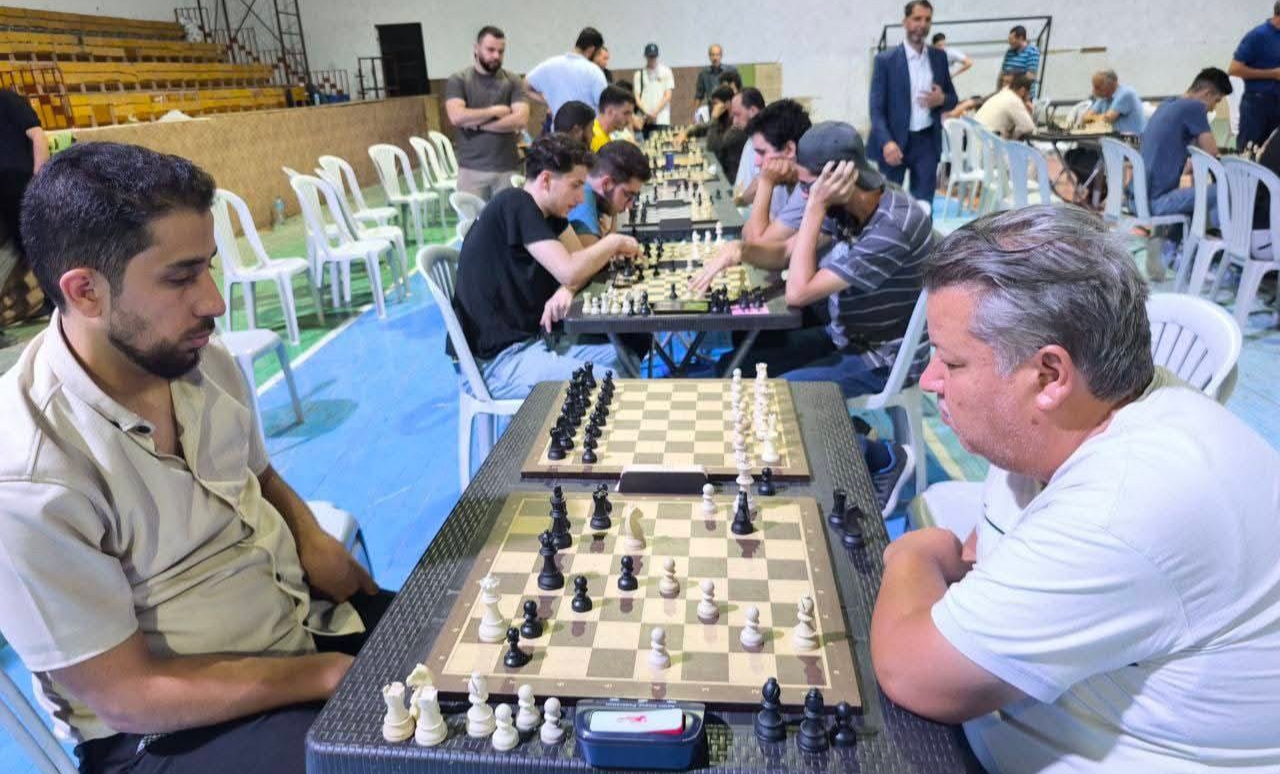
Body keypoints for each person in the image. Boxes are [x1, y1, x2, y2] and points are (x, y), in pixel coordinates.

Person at [0, 142, 388, 774]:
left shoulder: (199, 361)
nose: (213, 301)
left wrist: (308, 533)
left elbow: (257, 473)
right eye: (180, 278)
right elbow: (127, 696)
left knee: (489, 663)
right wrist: (325, 675)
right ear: (86, 291)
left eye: (208, 268)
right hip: (168, 730)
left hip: (300, 626)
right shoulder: (27, 476)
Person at [870, 204, 1280, 774]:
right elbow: (985, 550)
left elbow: (913, 673)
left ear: (1049, 376)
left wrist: (913, 551)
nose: (930, 379)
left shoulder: (1124, 503)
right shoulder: (1059, 423)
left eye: (952, 362)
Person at [452, 133, 639, 399]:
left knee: (623, 357)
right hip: (495, 363)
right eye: (576, 186)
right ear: (546, 180)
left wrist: (567, 289)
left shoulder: (550, 215)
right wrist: (613, 242)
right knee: (610, 382)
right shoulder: (515, 202)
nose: (581, 198)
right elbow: (570, 270)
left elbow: (581, 267)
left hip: (535, 342)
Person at [868, 0, 958, 203]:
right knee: (889, 204)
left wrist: (942, 99)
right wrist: (887, 142)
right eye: (917, 18)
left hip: (926, 142)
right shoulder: (886, 60)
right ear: (905, 22)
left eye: (927, 19)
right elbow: (876, 109)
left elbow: (953, 99)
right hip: (894, 141)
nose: (922, 24)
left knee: (924, 204)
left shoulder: (939, 58)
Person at [444, 26, 530, 200]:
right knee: (473, 218)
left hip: (507, 170)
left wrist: (478, 125)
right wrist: (495, 111)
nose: (496, 56)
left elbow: (521, 119)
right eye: (490, 50)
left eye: (501, 51)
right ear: (476, 48)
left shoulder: (513, 81)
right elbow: (456, 116)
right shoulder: (459, 80)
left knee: (507, 218)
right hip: (471, 171)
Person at [1140, 67, 1231, 222]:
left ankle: (1180, 238)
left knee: (1194, 191)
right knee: (1226, 190)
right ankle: (1221, 236)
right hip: (1156, 203)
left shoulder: (1167, 104)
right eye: (1216, 101)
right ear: (1207, 93)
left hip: (1138, 199)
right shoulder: (1195, 107)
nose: (1212, 109)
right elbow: (1211, 153)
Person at [0, 85, 47, 335]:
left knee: (29, 245)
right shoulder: (9, 99)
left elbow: (37, 136)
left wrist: (39, 178)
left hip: (19, 184)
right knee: (27, 246)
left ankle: (53, 300)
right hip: (11, 186)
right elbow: (38, 136)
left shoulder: (7, 99)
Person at [524, 27, 608, 134]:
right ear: (591, 50)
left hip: (558, 134)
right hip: (586, 134)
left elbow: (525, 86)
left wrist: (549, 101)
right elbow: (605, 106)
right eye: (598, 53)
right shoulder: (594, 71)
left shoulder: (550, 65)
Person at [567, 140, 650, 247]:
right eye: (627, 195)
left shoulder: (589, 189)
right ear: (606, 183)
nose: (630, 206)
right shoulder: (584, 212)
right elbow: (595, 256)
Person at [1230, 4, 1280, 152]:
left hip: (1277, 103)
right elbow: (1234, 69)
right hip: (1257, 104)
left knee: (1274, 153)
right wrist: (1273, 74)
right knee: (1249, 151)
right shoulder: (1257, 36)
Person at [685, 86, 747, 179]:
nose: (713, 107)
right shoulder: (724, 117)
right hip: (722, 168)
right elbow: (706, 127)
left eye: (716, 104)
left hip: (731, 175)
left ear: (727, 104)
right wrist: (688, 131)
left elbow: (712, 146)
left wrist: (714, 117)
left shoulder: (736, 124)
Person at [731, 88, 767, 205]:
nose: (734, 122)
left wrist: (737, 202)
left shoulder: (767, 142)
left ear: (753, 111)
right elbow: (741, 184)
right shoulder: (750, 139)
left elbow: (759, 185)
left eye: (737, 115)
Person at [1082, 68, 1146, 135]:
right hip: (1115, 138)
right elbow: (1084, 118)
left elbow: (1108, 119)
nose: (1094, 91)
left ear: (1110, 84)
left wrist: (1093, 118)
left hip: (1132, 139)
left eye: (1097, 87)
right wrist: (1096, 118)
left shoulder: (1126, 93)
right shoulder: (1103, 96)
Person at [974, 72, 1036, 139]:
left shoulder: (1004, 93)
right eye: (1028, 94)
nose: (1028, 97)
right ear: (1022, 91)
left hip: (976, 133)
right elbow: (1028, 127)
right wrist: (1012, 138)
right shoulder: (1014, 100)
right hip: (987, 138)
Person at [634, 43, 674, 132]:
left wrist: (655, 112)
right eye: (650, 56)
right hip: (644, 119)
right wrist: (647, 113)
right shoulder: (639, 74)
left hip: (662, 118)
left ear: (657, 56)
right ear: (645, 56)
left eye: (654, 56)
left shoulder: (666, 71)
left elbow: (668, 95)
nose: (652, 59)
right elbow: (637, 98)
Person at [693, 44, 739, 116]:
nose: (715, 58)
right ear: (709, 56)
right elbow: (699, 95)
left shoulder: (731, 71)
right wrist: (695, 113)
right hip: (712, 109)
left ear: (721, 56)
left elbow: (738, 92)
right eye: (712, 55)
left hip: (728, 108)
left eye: (717, 55)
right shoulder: (703, 73)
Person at [590, 85, 636, 152]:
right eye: (626, 113)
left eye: (631, 114)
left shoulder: (601, 133)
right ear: (609, 111)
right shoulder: (598, 139)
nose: (629, 120)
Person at [1000, 25, 1041, 97]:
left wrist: (1013, 85)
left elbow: (1030, 76)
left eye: (1012, 39)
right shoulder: (1009, 52)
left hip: (1023, 95)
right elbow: (1003, 72)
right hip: (1007, 93)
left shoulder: (1032, 51)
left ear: (1021, 38)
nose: (1009, 42)